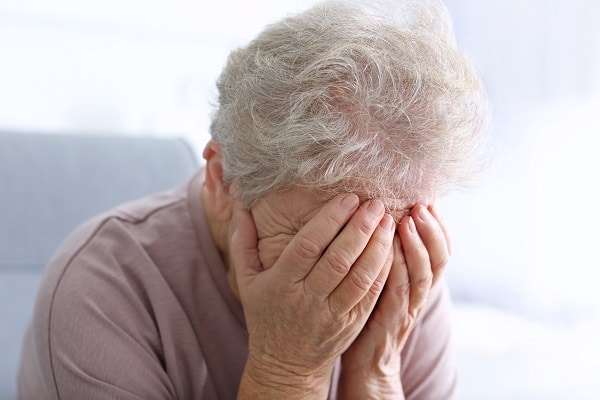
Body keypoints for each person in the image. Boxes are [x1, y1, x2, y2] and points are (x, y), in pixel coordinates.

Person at [16, 0, 490, 398]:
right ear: (223, 182)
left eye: (389, 235)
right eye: (325, 243)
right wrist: (287, 372)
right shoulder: (101, 287)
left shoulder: (405, 273)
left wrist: (377, 372)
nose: (360, 277)